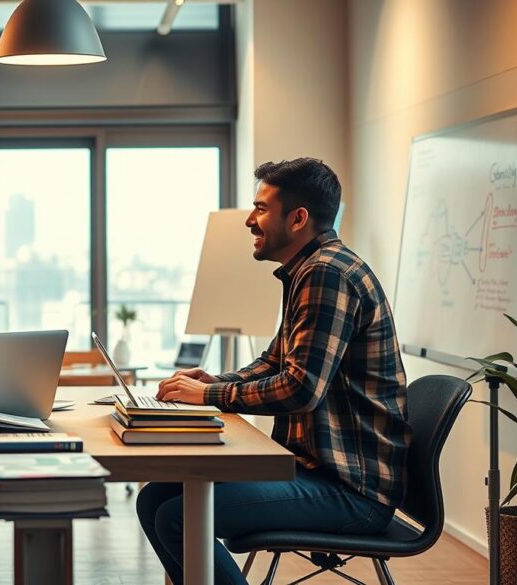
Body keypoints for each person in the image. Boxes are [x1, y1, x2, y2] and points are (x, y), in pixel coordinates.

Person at [137, 158, 411, 585]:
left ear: (298, 218)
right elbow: (274, 362)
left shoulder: (326, 274)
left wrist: (207, 397)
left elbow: (300, 389)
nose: (250, 220)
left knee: (177, 516)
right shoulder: (311, 269)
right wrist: (215, 382)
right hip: (321, 471)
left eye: (261, 208)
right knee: (154, 498)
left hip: (352, 490)